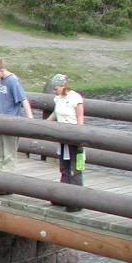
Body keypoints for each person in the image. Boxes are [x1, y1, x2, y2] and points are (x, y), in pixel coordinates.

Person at [0, 57, 34, 195]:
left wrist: (30, 118)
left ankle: (7, 184)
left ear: (2, 70)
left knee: (9, 154)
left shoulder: (12, 81)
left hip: (11, 123)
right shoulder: (0, 81)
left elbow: (23, 100)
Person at [45, 74, 85, 212]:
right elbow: (56, 114)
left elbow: (80, 118)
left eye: (56, 88)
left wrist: (80, 138)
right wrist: (43, 125)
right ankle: (63, 195)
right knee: (64, 167)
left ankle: (75, 199)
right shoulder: (58, 98)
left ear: (63, 86)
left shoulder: (75, 98)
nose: (54, 91)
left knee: (75, 168)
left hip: (74, 139)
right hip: (62, 139)